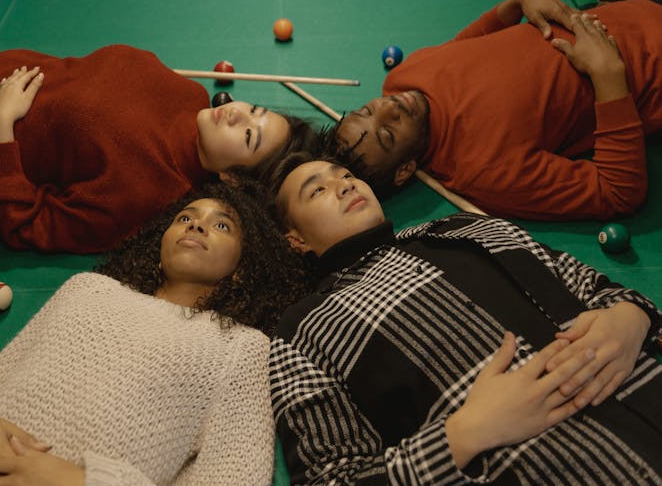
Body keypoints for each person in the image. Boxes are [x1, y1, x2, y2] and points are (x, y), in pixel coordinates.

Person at [266, 152, 662, 484]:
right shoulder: (301, 330)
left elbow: (592, 286)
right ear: (295, 239)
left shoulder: (464, 226)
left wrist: (633, 316)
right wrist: (465, 433)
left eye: (347, 175)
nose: (346, 185)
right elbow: (330, 477)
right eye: (317, 190)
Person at [0, 182, 313, 485]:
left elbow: (233, 477)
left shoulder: (242, 347)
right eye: (186, 217)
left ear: (245, 266)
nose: (196, 224)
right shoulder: (86, 290)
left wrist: (75, 480)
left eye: (221, 225)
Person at [0, 43, 317, 253]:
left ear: (230, 177)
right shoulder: (187, 92)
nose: (237, 113)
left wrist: (0, 125)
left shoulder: (147, 196)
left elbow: (23, 225)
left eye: (249, 136)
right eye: (256, 109)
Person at [322, 0, 662, 220]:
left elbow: (465, 50)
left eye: (368, 109)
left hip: (636, 10)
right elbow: (617, 193)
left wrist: (514, 4)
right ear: (407, 169)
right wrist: (608, 76)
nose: (388, 108)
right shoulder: (485, 171)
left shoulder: (401, 80)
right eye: (388, 135)